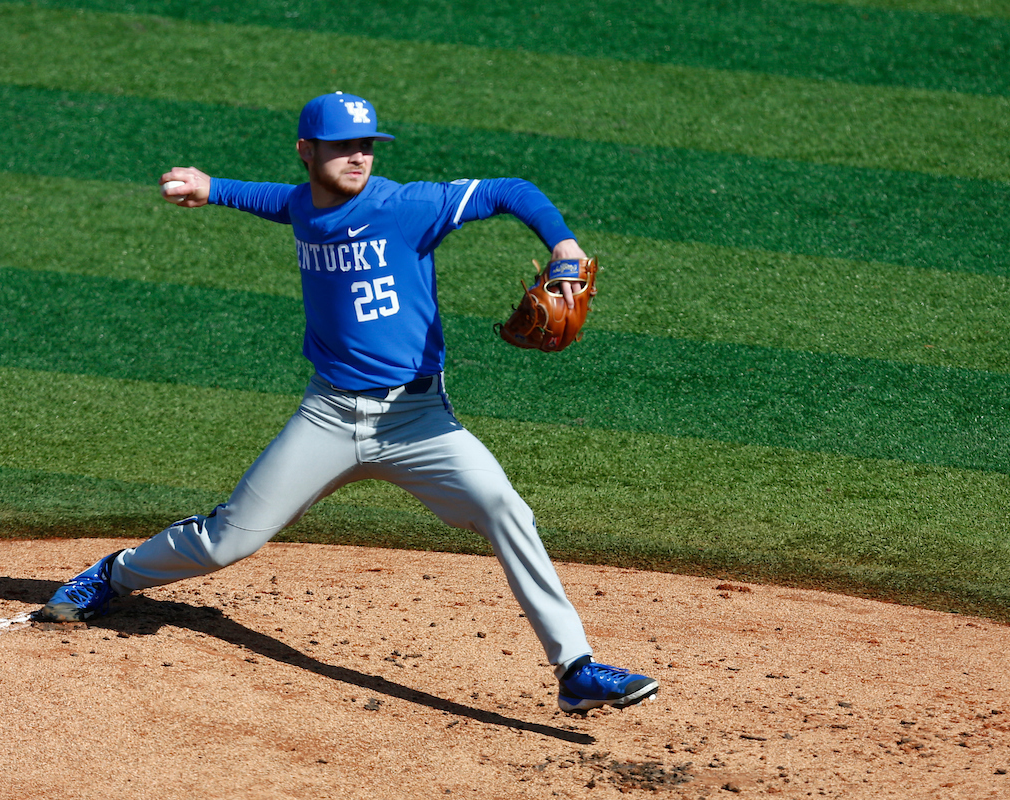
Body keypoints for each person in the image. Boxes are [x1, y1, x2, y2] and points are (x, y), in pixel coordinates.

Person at [38, 92, 659, 714]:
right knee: (228, 542)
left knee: (505, 508)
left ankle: (575, 668)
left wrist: (565, 248)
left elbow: (511, 190)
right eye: (341, 147)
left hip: (419, 423)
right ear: (308, 153)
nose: (357, 157)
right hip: (328, 418)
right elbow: (278, 202)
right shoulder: (305, 202)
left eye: (366, 146)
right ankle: (113, 575)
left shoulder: (407, 206)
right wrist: (210, 187)